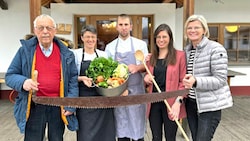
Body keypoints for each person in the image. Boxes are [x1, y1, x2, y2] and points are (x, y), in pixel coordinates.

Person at [5, 14, 79, 141]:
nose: (45, 31)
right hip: (34, 104)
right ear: (35, 31)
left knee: (56, 138)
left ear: (54, 31)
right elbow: (10, 76)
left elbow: (73, 80)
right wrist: (23, 82)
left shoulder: (66, 54)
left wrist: (70, 104)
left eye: (49, 28)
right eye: (41, 28)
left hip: (58, 106)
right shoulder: (24, 51)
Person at [182, 14, 233, 141]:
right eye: (189, 28)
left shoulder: (215, 48)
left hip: (210, 106)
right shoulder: (187, 50)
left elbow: (220, 80)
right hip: (192, 104)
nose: (192, 30)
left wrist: (196, 81)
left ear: (204, 30)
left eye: (196, 27)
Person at [105, 14, 148, 141]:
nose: (123, 27)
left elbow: (146, 66)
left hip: (136, 92)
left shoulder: (140, 44)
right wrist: (119, 88)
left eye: (126, 25)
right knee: (122, 127)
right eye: (120, 25)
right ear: (117, 27)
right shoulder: (110, 47)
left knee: (137, 127)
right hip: (118, 92)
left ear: (131, 27)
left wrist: (136, 67)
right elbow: (108, 72)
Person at [71, 25, 116, 141]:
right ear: (82, 38)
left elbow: (110, 76)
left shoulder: (103, 55)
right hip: (84, 101)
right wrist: (81, 78)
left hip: (103, 100)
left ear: (96, 38)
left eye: (93, 37)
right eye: (87, 37)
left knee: (106, 133)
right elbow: (69, 77)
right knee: (86, 134)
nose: (90, 40)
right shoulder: (75, 55)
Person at [144, 23, 187, 141]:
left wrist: (178, 103)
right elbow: (148, 81)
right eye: (158, 37)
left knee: (170, 137)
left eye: (164, 37)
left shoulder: (180, 56)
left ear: (170, 38)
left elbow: (183, 82)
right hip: (154, 103)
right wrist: (146, 79)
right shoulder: (151, 58)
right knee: (156, 137)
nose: (161, 40)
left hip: (171, 103)